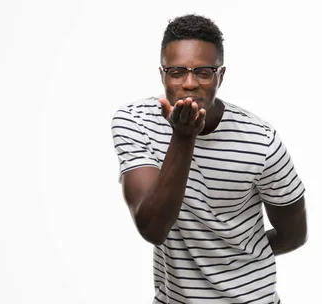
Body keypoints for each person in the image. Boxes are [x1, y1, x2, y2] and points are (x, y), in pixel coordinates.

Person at [110, 14, 307, 304]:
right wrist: (183, 136)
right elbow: (152, 227)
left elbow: (294, 235)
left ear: (220, 76)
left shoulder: (260, 140)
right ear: (162, 74)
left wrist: (236, 257)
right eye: (177, 72)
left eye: (203, 72)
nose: (189, 83)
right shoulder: (134, 122)